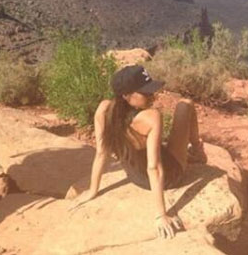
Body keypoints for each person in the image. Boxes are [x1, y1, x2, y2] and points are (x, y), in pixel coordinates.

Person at [71, 65, 207, 239]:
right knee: (185, 105)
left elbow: (101, 153)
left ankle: (193, 150)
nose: (153, 95)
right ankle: (197, 151)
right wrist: (160, 215)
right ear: (127, 96)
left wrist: (92, 190)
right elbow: (154, 168)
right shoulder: (150, 117)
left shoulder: (104, 110)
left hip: (135, 177)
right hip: (171, 176)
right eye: (146, 92)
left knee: (162, 143)